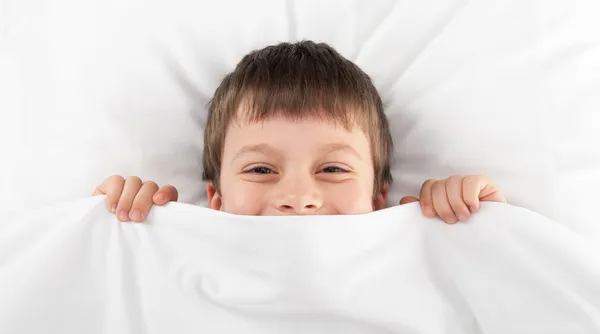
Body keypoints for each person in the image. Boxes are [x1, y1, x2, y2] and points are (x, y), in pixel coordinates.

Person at [93, 40, 505, 224]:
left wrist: (476, 224)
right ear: (216, 199)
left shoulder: (419, 254)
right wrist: (112, 223)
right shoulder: (173, 250)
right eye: (259, 170)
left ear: (380, 199)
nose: (297, 199)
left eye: (333, 169)